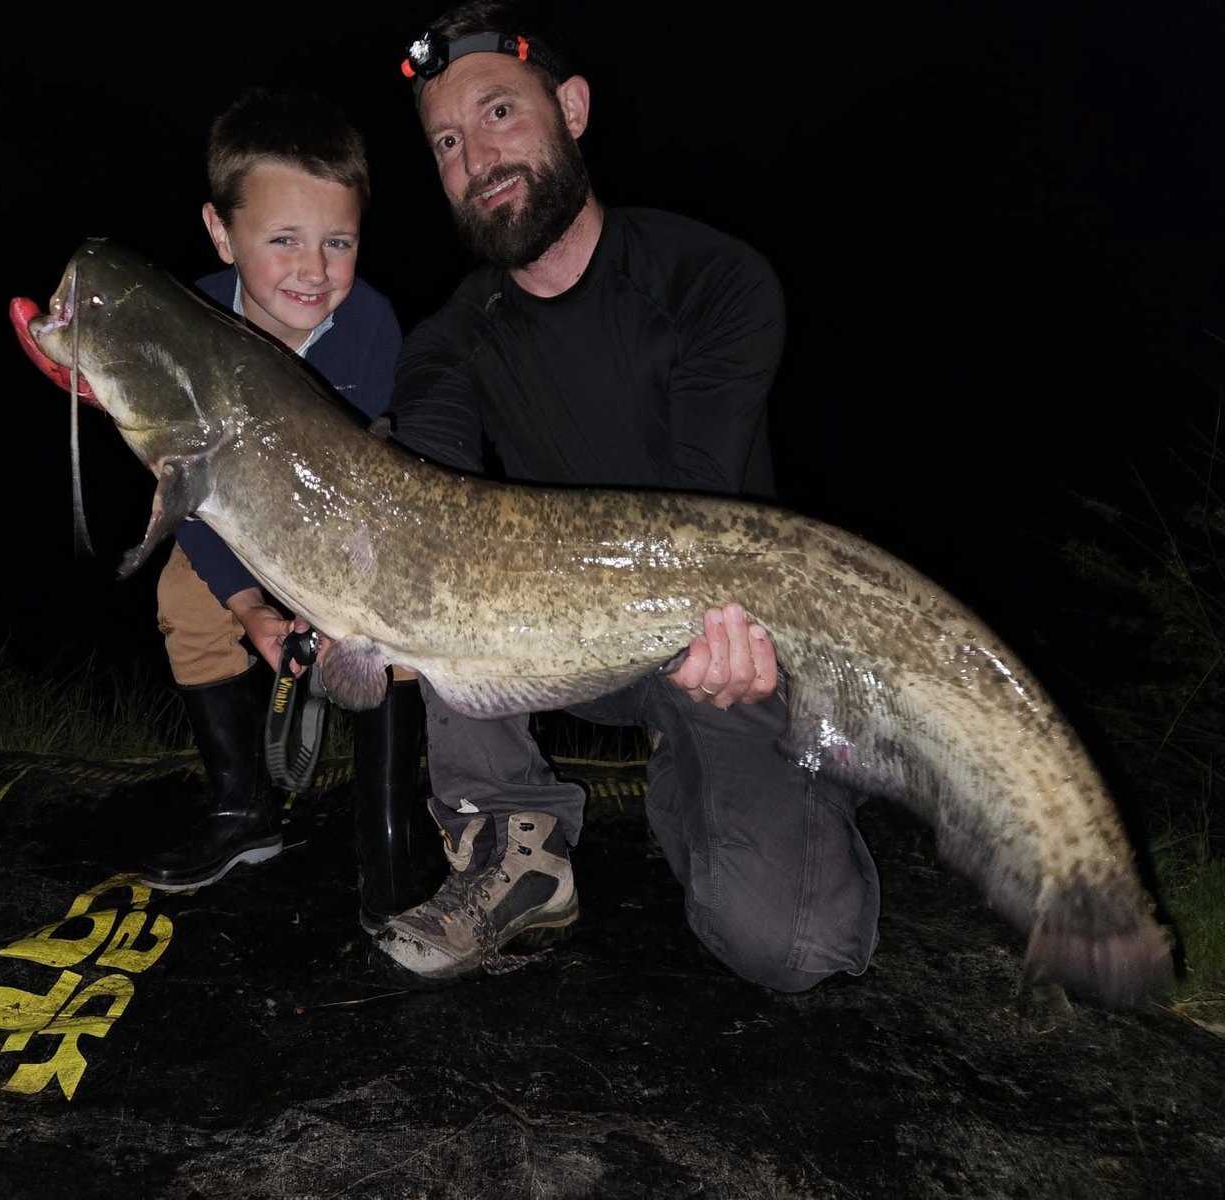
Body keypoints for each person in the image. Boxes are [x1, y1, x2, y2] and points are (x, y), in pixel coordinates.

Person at [371, 2, 881, 991]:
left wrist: (733, 653)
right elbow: (405, 500)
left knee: (792, 947)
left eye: (499, 115)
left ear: (569, 107)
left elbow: (698, 514)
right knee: (421, 559)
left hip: (731, 638)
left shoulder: (709, 279)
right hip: (553, 642)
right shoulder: (446, 340)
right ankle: (512, 847)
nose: (475, 156)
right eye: (445, 141)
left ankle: (752, 768)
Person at [12, 85, 430, 933]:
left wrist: (323, 608)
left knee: (403, 642)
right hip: (231, 529)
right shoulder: (188, 321)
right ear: (220, 232)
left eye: (338, 242)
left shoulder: (374, 326)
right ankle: (242, 810)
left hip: (357, 545)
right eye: (284, 241)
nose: (314, 271)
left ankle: (394, 831)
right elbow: (192, 503)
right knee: (182, 602)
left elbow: (393, 485)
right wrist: (250, 609)